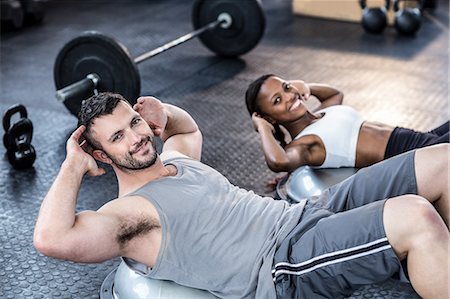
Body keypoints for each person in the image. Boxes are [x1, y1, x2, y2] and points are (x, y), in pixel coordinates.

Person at [34, 92, 449, 299]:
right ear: (101, 154)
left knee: (440, 159)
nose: (138, 137)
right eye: (119, 137)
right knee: (413, 216)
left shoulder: (177, 161)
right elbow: (52, 239)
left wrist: (163, 110)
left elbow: (187, 129)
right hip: (283, 263)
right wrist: (72, 164)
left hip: (302, 213)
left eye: (136, 122)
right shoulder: (128, 215)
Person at [245, 74, 449, 172]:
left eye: (286, 87)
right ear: (270, 117)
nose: (288, 96)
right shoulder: (305, 144)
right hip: (413, 156)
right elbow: (278, 162)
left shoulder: (323, 113)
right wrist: (263, 127)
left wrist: (304, 86)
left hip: (421, 138)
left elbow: (335, 93)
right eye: (277, 100)